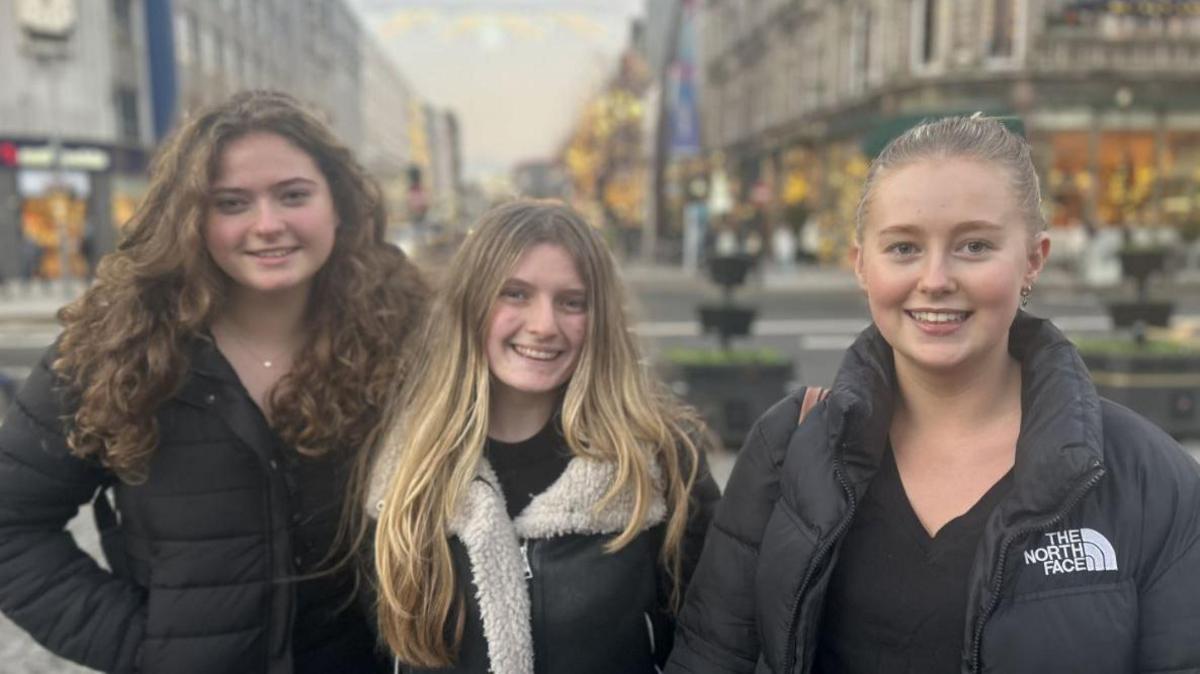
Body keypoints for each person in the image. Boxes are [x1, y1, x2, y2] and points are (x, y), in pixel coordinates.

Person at [666, 116, 1200, 674]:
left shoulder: (1146, 478)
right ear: (861, 265)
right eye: (903, 247)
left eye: (974, 245)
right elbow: (710, 657)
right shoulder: (787, 449)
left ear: (1033, 260)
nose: (936, 278)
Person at [0, 91, 427, 674]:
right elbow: (12, 525)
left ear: (339, 205)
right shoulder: (117, 347)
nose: (268, 225)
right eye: (231, 203)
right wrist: (147, 649)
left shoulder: (406, 338)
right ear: (191, 220)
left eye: (293, 195)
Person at [370, 199, 721, 673]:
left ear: (600, 318)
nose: (544, 326)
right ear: (471, 305)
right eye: (515, 294)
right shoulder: (405, 461)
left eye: (572, 302)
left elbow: (715, 638)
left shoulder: (661, 458)